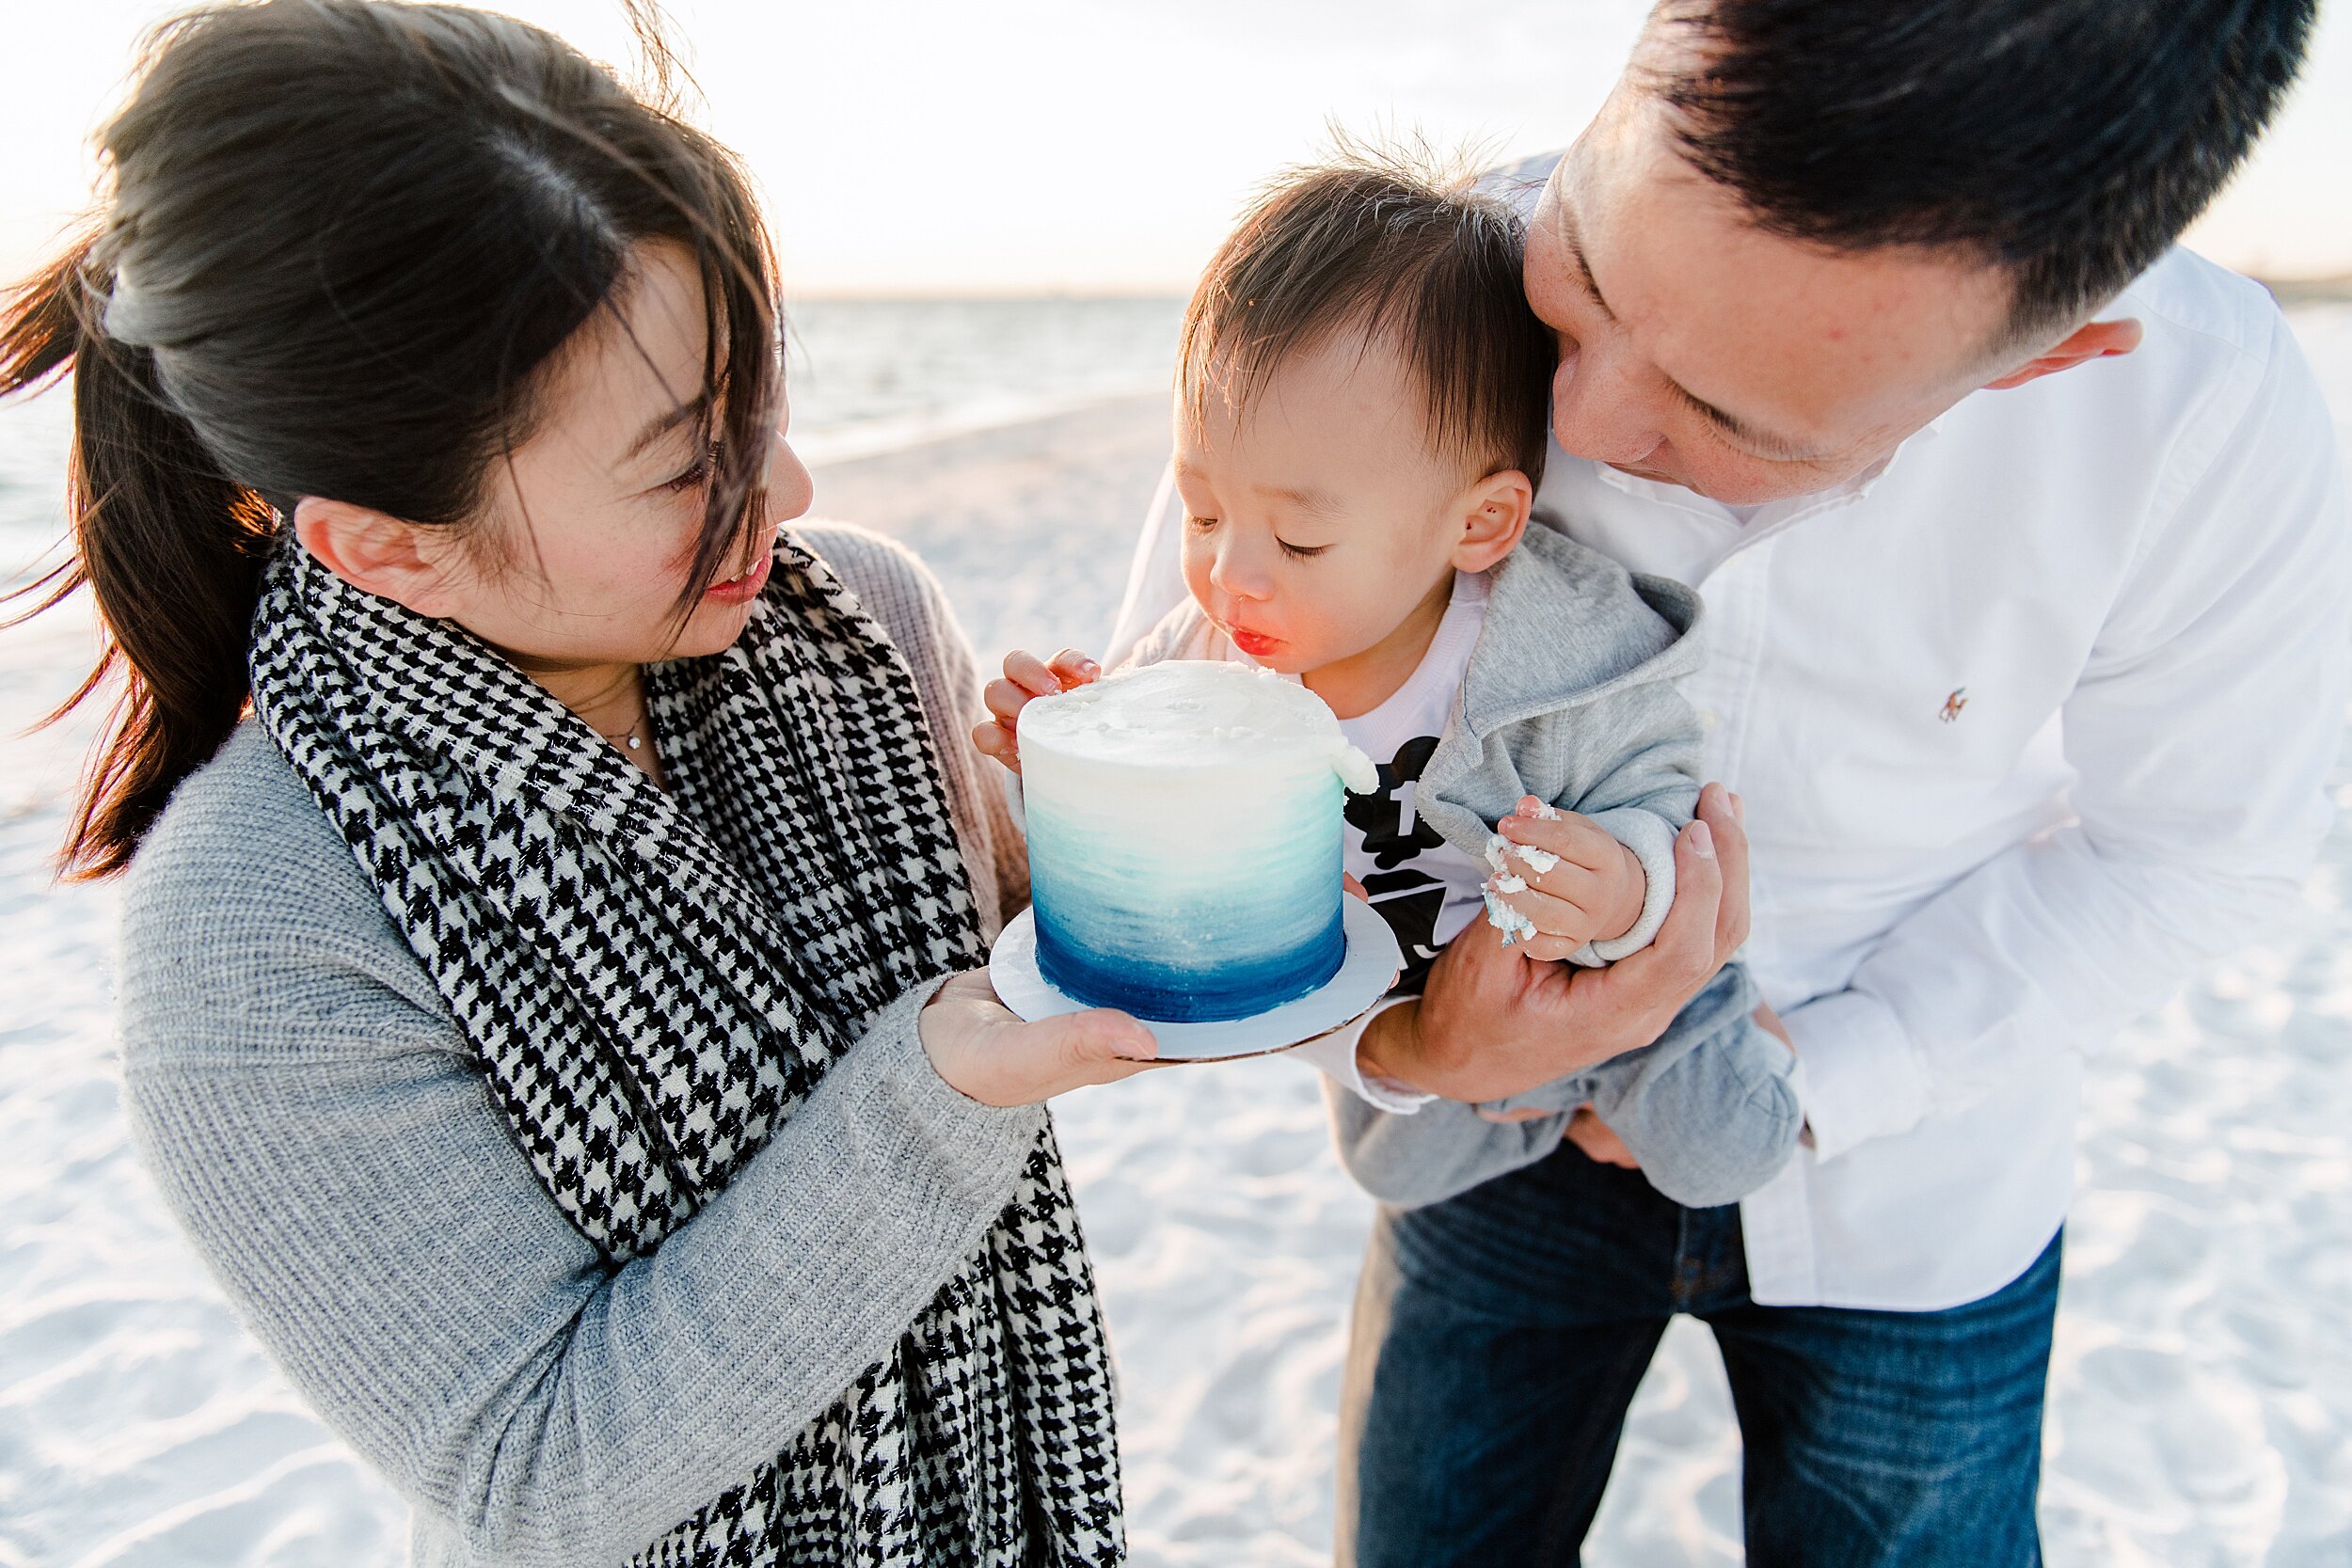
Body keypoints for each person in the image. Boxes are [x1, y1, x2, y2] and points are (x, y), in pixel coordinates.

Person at [1107, 1, 2350, 1563]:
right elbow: (1204, 759)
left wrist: (1830, 1074)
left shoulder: (2206, 414)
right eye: (1585, 290)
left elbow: (2197, 855)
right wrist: (1421, 1041)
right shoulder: (1392, 310)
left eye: (1727, 415)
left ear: (2054, 350)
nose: (1581, 424)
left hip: (1912, 1194)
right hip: (1478, 1159)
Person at [2, 4, 1155, 1564]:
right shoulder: (257, 925)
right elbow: (541, 1470)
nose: (791, 491)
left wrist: (1129, 832)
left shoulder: (863, 622)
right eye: (691, 463)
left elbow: (1031, 964)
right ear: (387, 542)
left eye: (764, 386)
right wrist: (931, 1095)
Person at [977, 152, 1802, 1209]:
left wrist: (1626, 882)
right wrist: (1061, 746)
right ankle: (1535, 1110)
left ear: (1477, 523)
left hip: (1593, 959)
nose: (1232, 575)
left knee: (1724, 1154)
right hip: (1407, 988)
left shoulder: (1553, 650)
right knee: (1392, 1167)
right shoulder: (1205, 646)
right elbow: (1137, 819)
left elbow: (1660, 783)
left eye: (1300, 539)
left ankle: (1669, 1071)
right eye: (1203, 512)